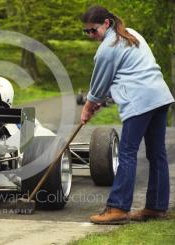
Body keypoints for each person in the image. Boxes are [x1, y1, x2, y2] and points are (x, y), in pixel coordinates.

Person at [80, 5, 174, 224]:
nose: (91, 35)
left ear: (106, 23)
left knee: (127, 153)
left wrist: (87, 107)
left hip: (140, 102)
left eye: (93, 30)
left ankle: (118, 208)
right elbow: (122, 76)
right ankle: (156, 207)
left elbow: (98, 87)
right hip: (160, 97)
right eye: (87, 32)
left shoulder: (107, 49)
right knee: (157, 153)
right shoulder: (131, 33)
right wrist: (99, 100)